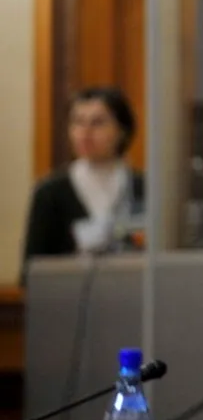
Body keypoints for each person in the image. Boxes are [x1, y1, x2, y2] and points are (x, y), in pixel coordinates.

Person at [21, 86, 144, 286]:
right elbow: (30, 269)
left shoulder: (142, 188)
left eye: (98, 123)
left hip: (131, 291)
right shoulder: (50, 192)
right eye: (78, 122)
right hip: (66, 296)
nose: (85, 133)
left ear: (122, 130)